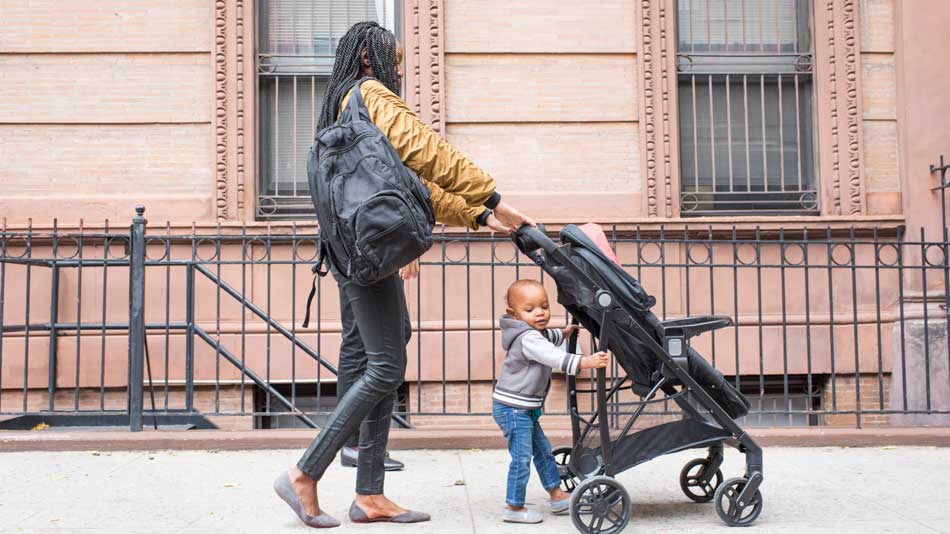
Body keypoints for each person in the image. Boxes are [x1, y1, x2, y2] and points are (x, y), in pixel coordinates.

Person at [273, 21, 534, 528]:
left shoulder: (343, 105)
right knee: (385, 366)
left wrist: (477, 215)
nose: (399, 68)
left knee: (388, 351)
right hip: (368, 253)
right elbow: (427, 153)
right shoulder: (370, 93)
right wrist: (493, 197)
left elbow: (409, 185)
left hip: (356, 251)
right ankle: (305, 472)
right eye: (394, 58)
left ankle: (369, 495)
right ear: (369, 59)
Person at [493, 280, 610, 524]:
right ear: (513, 315)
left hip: (523, 409)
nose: (540, 313)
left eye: (544, 307)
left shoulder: (535, 333)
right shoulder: (528, 339)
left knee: (544, 452)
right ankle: (513, 507)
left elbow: (549, 337)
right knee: (522, 457)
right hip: (513, 409)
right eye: (530, 309)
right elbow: (552, 356)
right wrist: (585, 362)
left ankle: (557, 495)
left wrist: (565, 333)